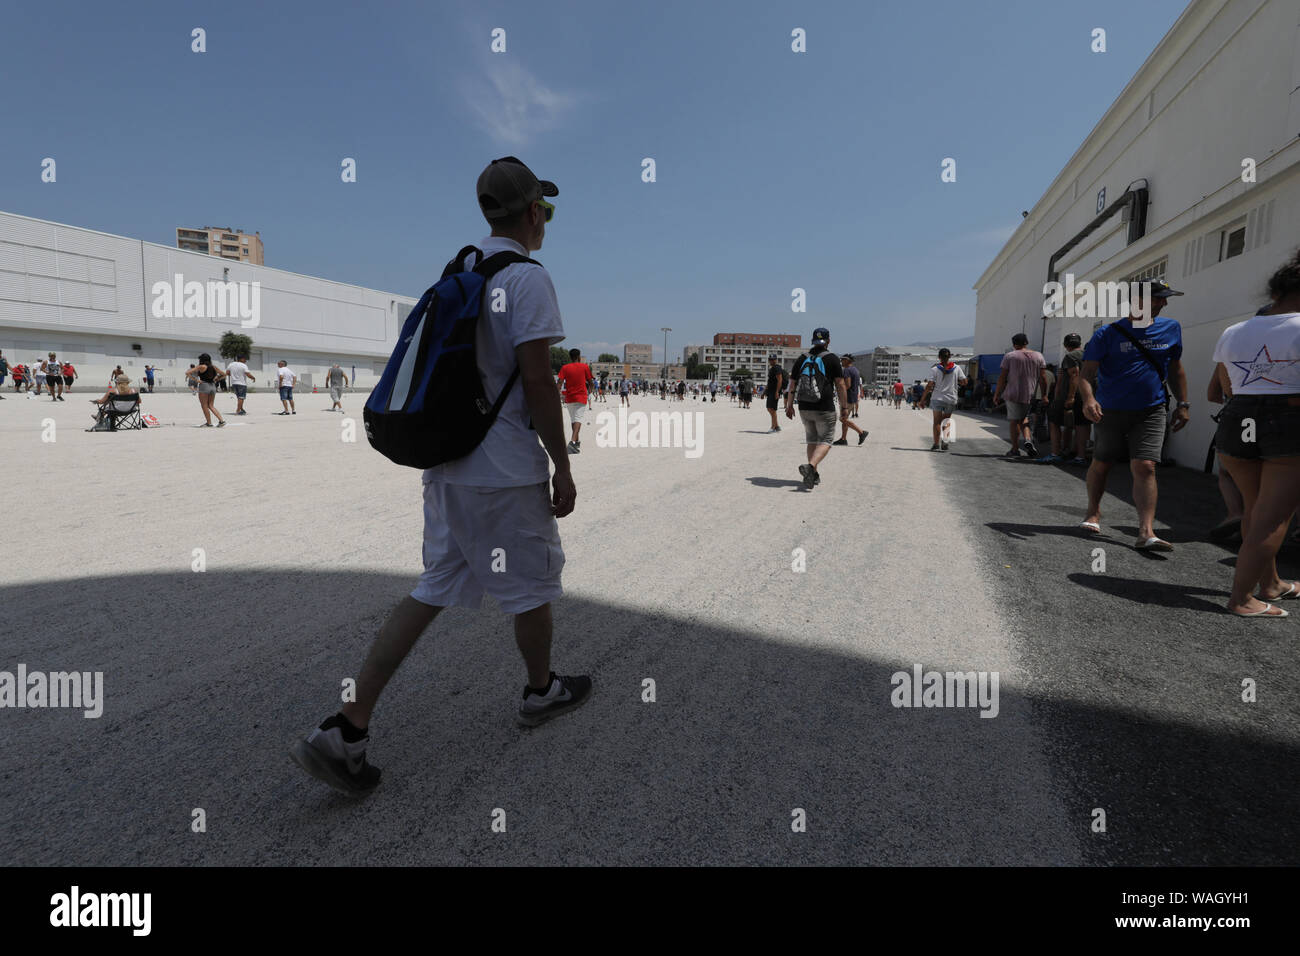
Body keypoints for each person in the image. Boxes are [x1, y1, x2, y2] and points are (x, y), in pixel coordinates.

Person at [290, 155, 587, 796]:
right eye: (547, 210)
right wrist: (561, 464)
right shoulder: (529, 279)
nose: (547, 221)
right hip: (503, 470)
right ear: (533, 212)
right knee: (533, 586)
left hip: (447, 465)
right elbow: (538, 380)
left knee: (432, 587)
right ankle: (541, 692)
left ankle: (348, 724)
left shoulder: (461, 270)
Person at [1208, 252, 1300, 617]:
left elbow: (1227, 386)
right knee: (1273, 518)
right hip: (1289, 423)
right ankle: (1242, 599)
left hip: (1237, 420)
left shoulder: (1235, 331)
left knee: (1255, 509)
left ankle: (1271, 584)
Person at [1077, 281, 1190, 549]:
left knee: (1146, 466)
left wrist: (1183, 403)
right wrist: (1089, 399)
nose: (1164, 303)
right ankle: (1093, 512)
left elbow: (1175, 369)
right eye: (1158, 299)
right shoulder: (1107, 334)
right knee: (1102, 463)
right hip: (1110, 410)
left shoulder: (1171, 328)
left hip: (1151, 410)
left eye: (1164, 299)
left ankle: (1146, 531)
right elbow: (1086, 375)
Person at [785, 327, 848, 489]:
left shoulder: (802, 358)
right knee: (826, 440)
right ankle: (811, 466)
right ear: (828, 341)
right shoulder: (833, 359)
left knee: (812, 439)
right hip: (824, 406)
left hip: (804, 406)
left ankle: (813, 475)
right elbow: (840, 385)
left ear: (812, 341)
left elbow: (792, 383)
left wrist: (789, 405)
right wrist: (844, 407)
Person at [992, 333, 1047, 458]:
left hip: (1013, 393)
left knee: (1014, 421)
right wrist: (1044, 395)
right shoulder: (1038, 356)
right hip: (1030, 394)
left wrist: (997, 394)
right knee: (1024, 419)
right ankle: (1028, 439)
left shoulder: (1010, 356)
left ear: (1014, 344)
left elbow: (1003, 377)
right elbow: (1043, 378)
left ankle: (1015, 449)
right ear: (1026, 342)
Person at [1041, 333, 1088, 465]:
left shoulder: (1070, 356)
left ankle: (1055, 453)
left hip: (1070, 396)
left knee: (1054, 421)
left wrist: (1070, 397)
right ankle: (1080, 456)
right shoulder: (1087, 355)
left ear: (1066, 345)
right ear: (1080, 343)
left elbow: (1074, 375)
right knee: (1081, 425)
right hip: (1086, 395)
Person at [920, 348, 966, 451]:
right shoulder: (957, 368)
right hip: (951, 398)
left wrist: (922, 400)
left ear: (939, 357)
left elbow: (929, 385)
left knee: (937, 422)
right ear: (949, 356)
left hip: (937, 398)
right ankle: (945, 442)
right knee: (946, 420)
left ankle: (936, 444)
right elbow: (964, 382)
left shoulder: (935, 369)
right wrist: (955, 382)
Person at [556, 348, 591, 453]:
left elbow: (560, 382)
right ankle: (572, 442)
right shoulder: (584, 367)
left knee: (573, 420)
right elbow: (591, 381)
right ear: (579, 356)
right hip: (581, 396)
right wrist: (590, 391)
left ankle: (576, 442)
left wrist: (557, 394)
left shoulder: (565, 368)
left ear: (570, 357)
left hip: (569, 397)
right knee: (578, 419)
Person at [833, 354, 868, 446]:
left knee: (842, 419)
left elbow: (847, 385)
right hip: (853, 397)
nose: (841, 361)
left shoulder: (847, 370)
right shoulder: (855, 370)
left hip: (847, 397)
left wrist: (838, 389)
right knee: (845, 418)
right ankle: (843, 439)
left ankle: (861, 432)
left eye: (843, 360)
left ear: (848, 361)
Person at [193, 352, 227, 427]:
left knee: (204, 405)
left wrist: (196, 380)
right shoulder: (213, 367)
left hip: (204, 386)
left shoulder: (201, 366)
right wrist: (217, 379)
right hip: (213, 386)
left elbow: (187, 372)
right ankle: (222, 421)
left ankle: (209, 423)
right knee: (211, 405)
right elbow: (224, 374)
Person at [765, 355, 785, 431]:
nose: (771, 361)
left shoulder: (777, 368)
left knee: (772, 408)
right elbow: (769, 381)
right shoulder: (772, 369)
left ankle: (773, 427)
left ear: (776, 360)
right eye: (770, 359)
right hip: (770, 391)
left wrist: (777, 391)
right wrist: (764, 392)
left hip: (774, 391)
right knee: (769, 408)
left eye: (773, 359)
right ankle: (776, 426)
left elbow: (780, 380)